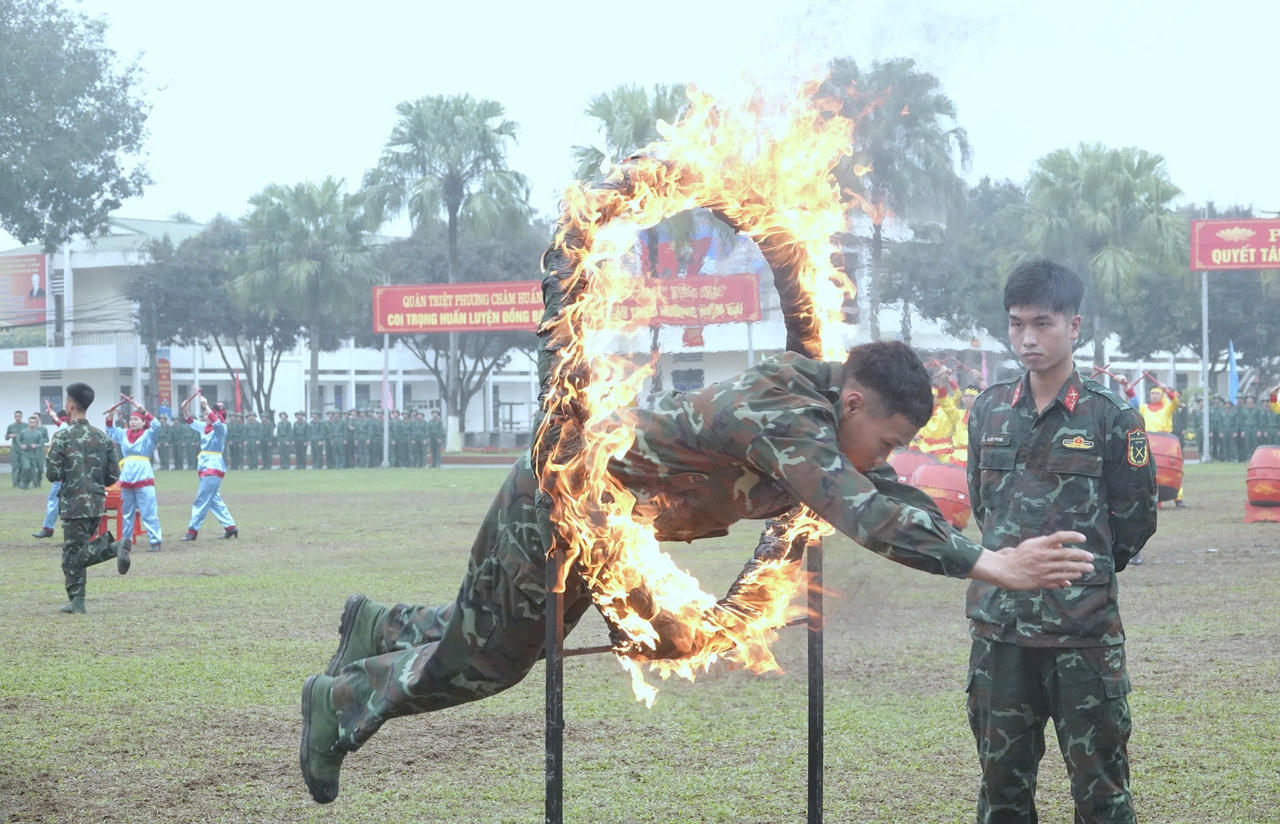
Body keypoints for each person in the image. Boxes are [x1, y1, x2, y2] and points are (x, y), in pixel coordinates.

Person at [297, 340, 1098, 804]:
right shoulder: (785, 414)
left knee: (510, 637)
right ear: (854, 402)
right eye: (885, 439)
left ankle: (381, 625)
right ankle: (340, 701)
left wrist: (976, 543)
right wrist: (989, 565)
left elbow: (881, 488)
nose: (885, 457)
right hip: (565, 501)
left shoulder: (823, 418)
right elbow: (861, 507)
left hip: (607, 525)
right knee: (493, 662)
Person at [965, 260, 1157, 823]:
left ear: (1075, 326)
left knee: (1101, 792)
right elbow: (983, 508)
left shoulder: (1113, 416)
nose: (1028, 338)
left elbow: (1135, 520)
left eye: (1043, 324)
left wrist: (1083, 574)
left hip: (1083, 637)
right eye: (1017, 324)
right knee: (1001, 790)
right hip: (1001, 634)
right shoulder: (988, 409)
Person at [44, 382, 132, 614]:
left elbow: (51, 474)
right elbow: (113, 476)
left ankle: (115, 546)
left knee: (72, 557)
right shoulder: (102, 438)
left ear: (70, 405)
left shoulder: (62, 438)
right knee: (73, 553)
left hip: (73, 505)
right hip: (96, 503)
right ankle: (77, 601)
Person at [104, 395, 164, 552]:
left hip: (143, 475)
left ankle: (155, 541)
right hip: (127, 476)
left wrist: (143, 410)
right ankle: (126, 542)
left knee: (148, 511)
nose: (132, 422)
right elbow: (110, 431)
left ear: (143, 422)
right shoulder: (123, 434)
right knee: (126, 512)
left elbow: (157, 425)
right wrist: (110, 414)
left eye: (136, 419)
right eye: (131, 420)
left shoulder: (148, 434)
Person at [178, 391, 239, 542]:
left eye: (207, 414)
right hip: (206, 465)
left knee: (201, 499)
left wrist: (205, 405)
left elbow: (216, 421)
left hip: (213, 466)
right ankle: (230, 527)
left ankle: (192, 531)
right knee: (213, 499)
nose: (205, 416)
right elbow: (190, 420)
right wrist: (184, 408)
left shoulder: (221, 429)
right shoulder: (204, 427)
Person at [1138, 384, 1185, 508]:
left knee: (1171, 469)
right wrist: (1126, 386)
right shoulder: (1144, 408)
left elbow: (1175, 401)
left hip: (1166, 445)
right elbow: (1132, 402)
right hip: (1149, 442)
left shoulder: (1167, 408)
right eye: (1153, 393)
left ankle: (1177, 497)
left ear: (1162, 395)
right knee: (1147, 470)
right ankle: (1148, 497)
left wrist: (1166, 390)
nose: (1154, 396)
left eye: (1157, 393)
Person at [33, 402, 70, 538]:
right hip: (69, 475)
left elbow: (59, 421)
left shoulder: (67, 428)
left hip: (64, 476)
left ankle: (48, 529)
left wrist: (51, 413)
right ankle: (49, 528)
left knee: (54, 501)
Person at [14, 413, 49, 488]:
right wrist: (21, 445)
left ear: (37, 421)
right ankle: (27, 483)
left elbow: (43, 441)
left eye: (34, 421)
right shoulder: (23, 431)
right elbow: (18, 440)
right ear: (28, 422)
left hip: (37, 453)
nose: (32, 423)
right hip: (26, 453)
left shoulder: (40, 431)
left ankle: (37, 482)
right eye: (30, 422)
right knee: (28, 468)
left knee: (39, 469)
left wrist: (36, 445)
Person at [6, 410, 24, 487]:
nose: (18, 418)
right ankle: (15, 483)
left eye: (19, 416)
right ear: (14, 417)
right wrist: (10, 435)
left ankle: (20, 482)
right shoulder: (11, 426)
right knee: (15, 466)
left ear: (21, 416)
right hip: (14, 448)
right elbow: (6, 437)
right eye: (16, 416)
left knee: (22, 466)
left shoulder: (25, 426)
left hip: (23, 448)